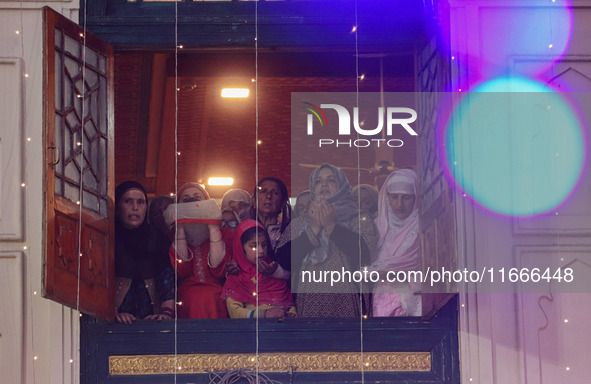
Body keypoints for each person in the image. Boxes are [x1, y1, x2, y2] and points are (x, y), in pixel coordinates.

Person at [275, 164, 378, 318]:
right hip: (307, 303)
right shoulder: (299, 223)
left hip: (347, 303)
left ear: (342, 185)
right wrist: (314, 228)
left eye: (331, 180)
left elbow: (366, 256)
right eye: (318, 181)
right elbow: (283, 260)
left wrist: (331, 226)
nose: (324, 184)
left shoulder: (359, 219)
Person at [168, 182, 233, 319]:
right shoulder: (170, 236)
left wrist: (212, 226)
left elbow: (219, 270)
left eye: (198, 197)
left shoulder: (225, 235)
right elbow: (181, 270)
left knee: (212, 298)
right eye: (185, 199)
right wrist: (180, 227)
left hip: (217, 295)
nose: (192, 201)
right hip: (185, 297)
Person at [114, 181, 175, 324]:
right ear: (117, 207)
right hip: (114, 322)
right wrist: (111, 312)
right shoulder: (107, 238)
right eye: (128, 201)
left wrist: (165, 314)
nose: (135, 208)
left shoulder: (158, 239)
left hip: (152, 321)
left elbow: (166, 279)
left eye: (140, 202)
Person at [369, 169, 422, 317]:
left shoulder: (424, 227)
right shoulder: (377, 226)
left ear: (416, 198)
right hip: (380, 300)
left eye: (406, 198)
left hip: (415, 300)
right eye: (394, 197)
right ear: (387, 198)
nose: (399, 204)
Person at [221, 220, 295, 319]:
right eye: (253, 246)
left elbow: (288, 303)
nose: (260, 251)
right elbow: (235, 312)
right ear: (240, 248)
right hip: (250, 331)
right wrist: (264, 314)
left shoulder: (272, 271)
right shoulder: (236, 277)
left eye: (264, 245)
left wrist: (291, 312)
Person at [250, 177, 292, 251]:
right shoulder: (245, 231)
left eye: (275, 193)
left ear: (282, 203)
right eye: (263, 191)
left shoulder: (290, 235)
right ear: (254, 201)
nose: (268, 196)